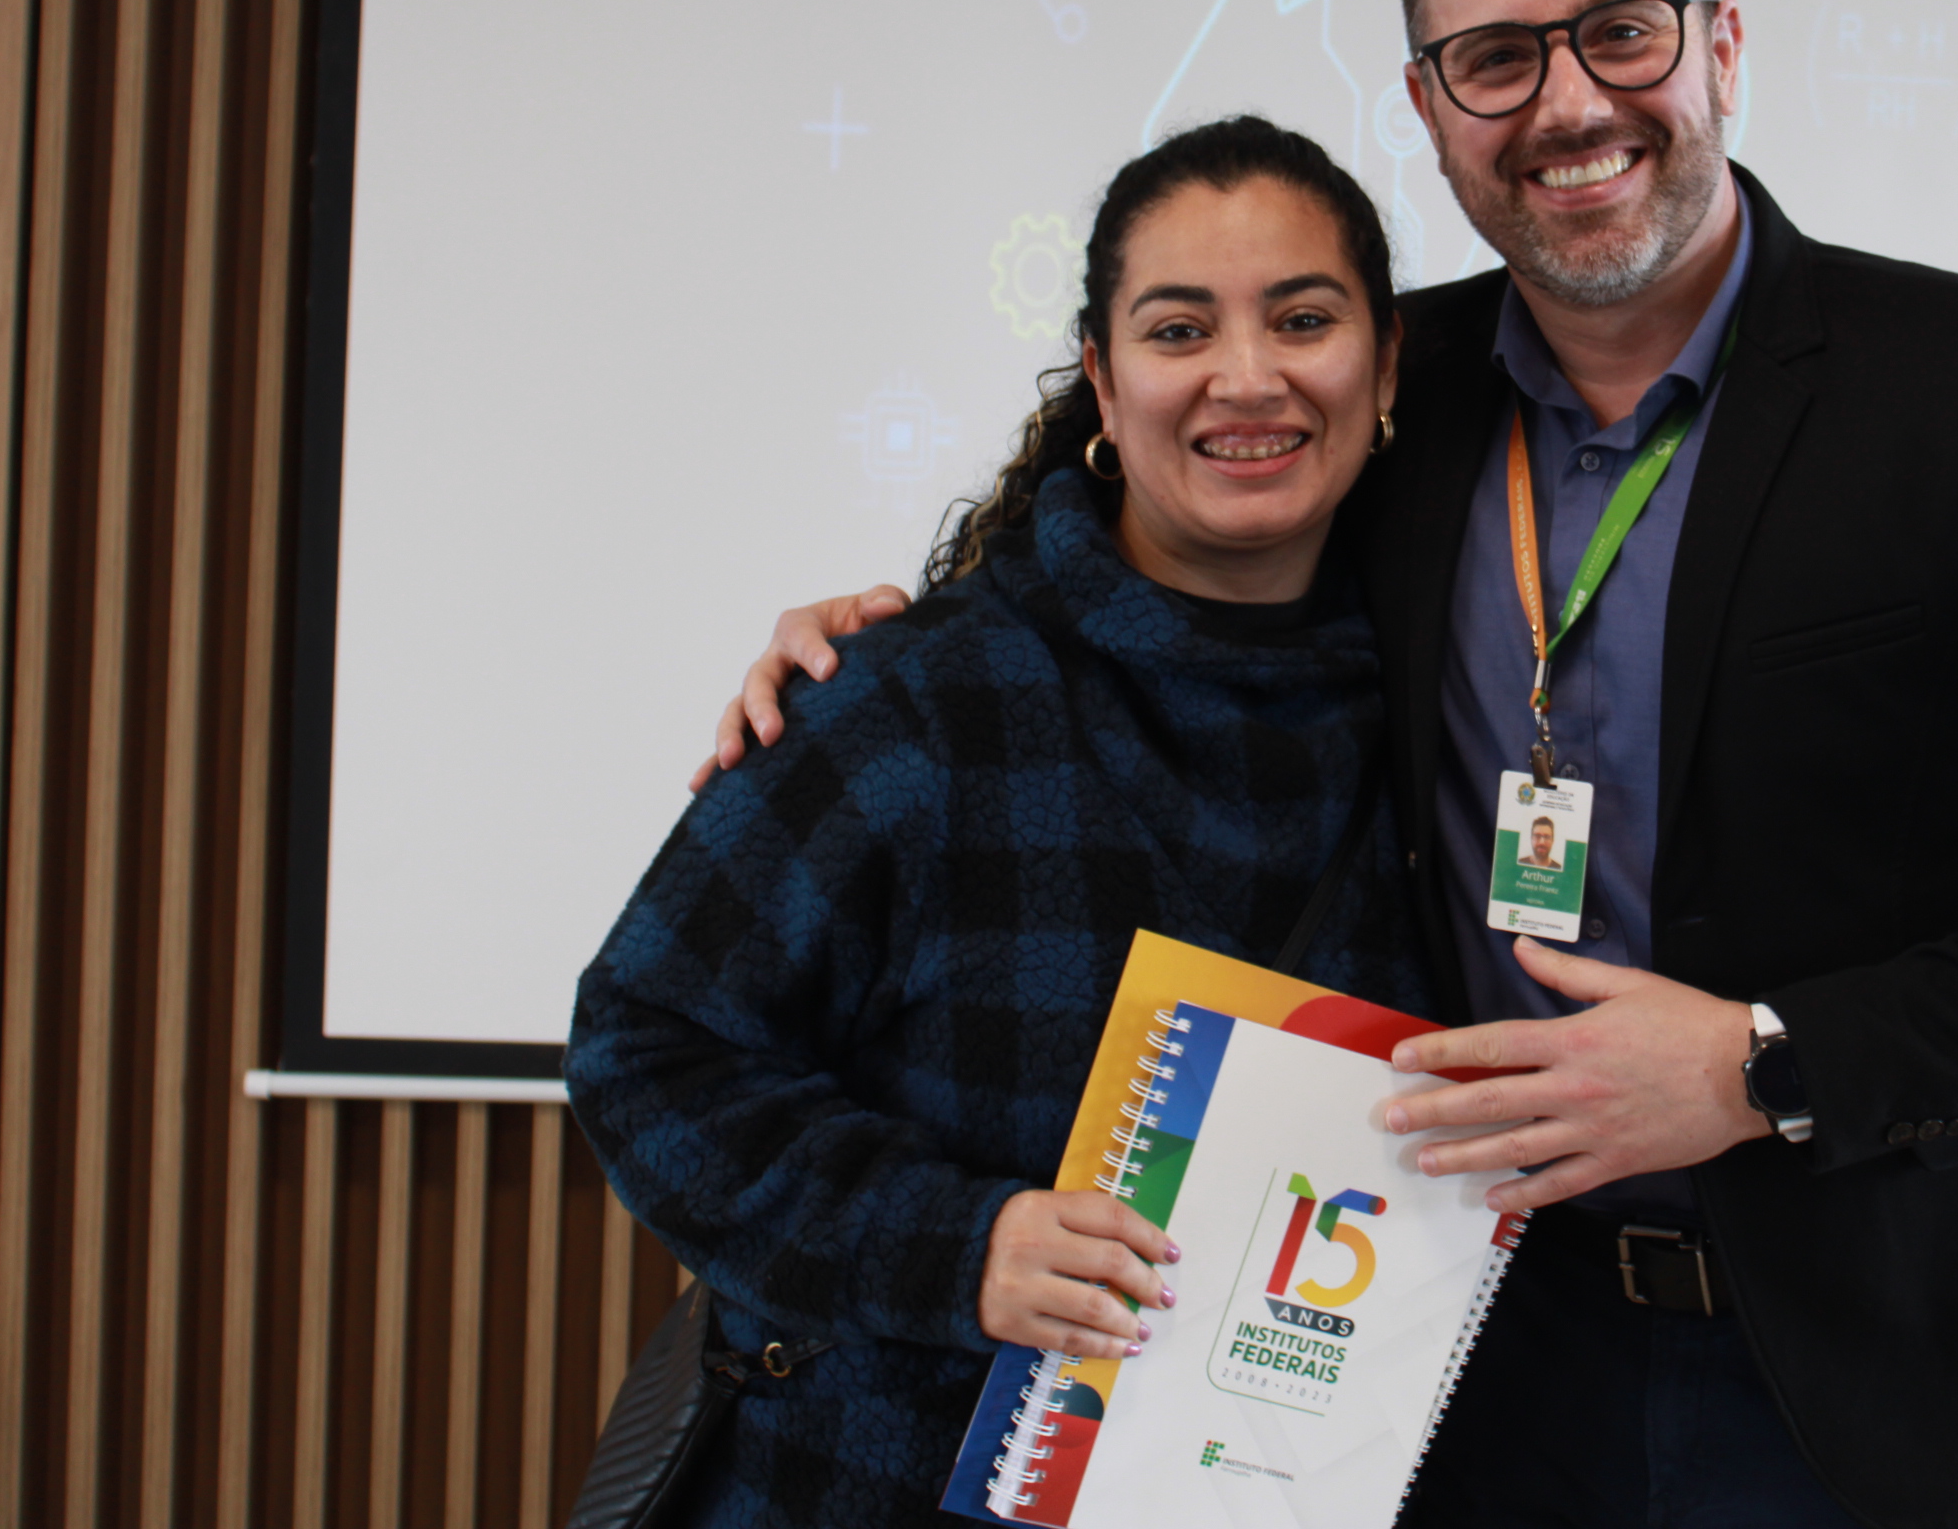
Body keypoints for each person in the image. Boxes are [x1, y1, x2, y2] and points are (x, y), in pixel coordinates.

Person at [709, 0, 1958, 1529]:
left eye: (1621, 31)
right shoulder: (1393, 386)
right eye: (1495, 58)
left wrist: (1765, 1063)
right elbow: (1159, 545)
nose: (1567, 102)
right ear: (1428, 106)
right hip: (1464, 1371)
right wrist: (891, 637)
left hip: (1880, 1381)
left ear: (1723, 46)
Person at [567, 116, 1434, 1525]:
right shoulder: (918, 701)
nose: (1246, 376)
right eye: (1178, 329)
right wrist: (955, 1248)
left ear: (1386, 364)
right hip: (873, 1488)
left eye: (1302, 319)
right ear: (1103, 380)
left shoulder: (1456, 718)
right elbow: (644, 1047)